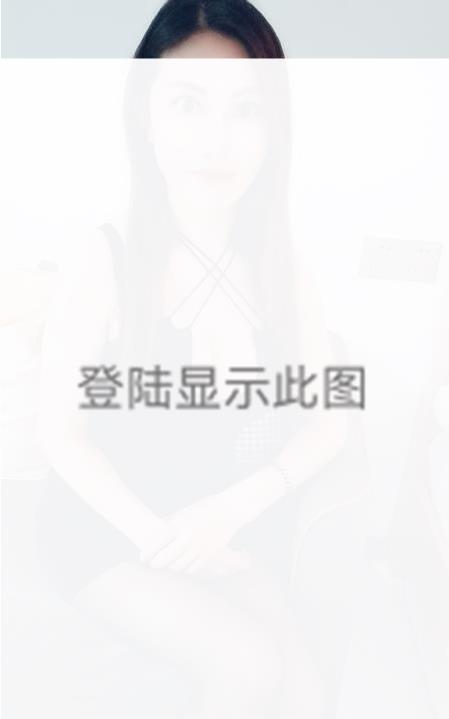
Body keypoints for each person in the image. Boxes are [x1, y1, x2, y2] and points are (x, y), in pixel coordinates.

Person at [35, 1, 347, 716]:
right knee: (247, 662)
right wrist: (165, 540)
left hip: (217, 526)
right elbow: (61, 434)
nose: (217, 140)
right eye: (187, 103)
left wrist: (231, 510)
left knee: (306, 690)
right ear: (145, 114)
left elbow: (329, 420)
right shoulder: (105, 257)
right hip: (109, 529)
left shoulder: (283, 266)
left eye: (246, 109)